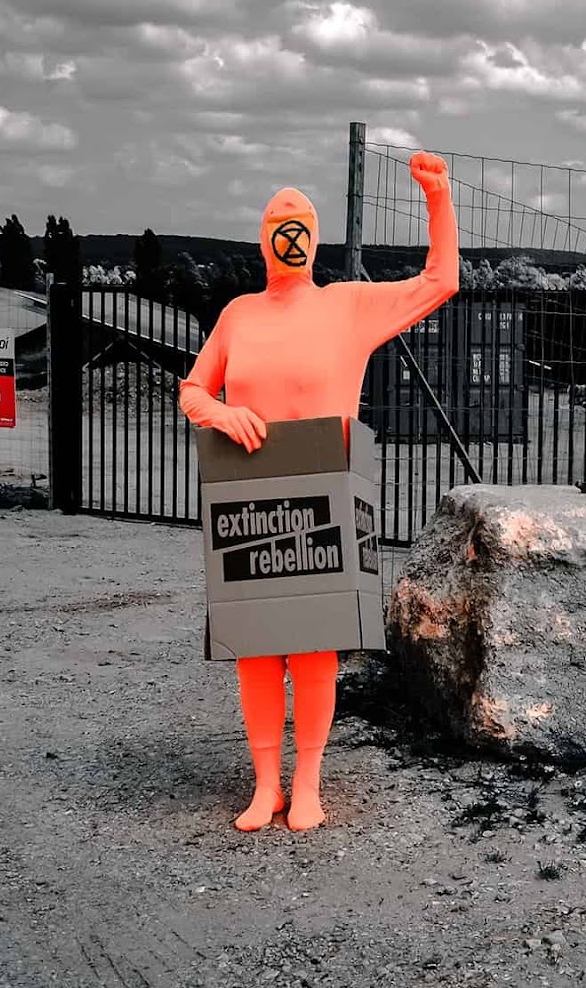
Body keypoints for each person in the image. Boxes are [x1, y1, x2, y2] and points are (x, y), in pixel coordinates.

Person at [178, 151, 458, 830]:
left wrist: (438, 199)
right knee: (255, 645)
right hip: (249, 499)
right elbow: (192, 387)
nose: (289, 236)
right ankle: (263, 783)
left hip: (325, 496)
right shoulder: (239, 314)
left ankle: (307, 781)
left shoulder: (347, 307)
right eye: (279, 225)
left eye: (298, 225)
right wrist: (219, 412)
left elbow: (439, 280)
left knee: (311, 646)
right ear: (264, 240)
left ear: (312, 237)